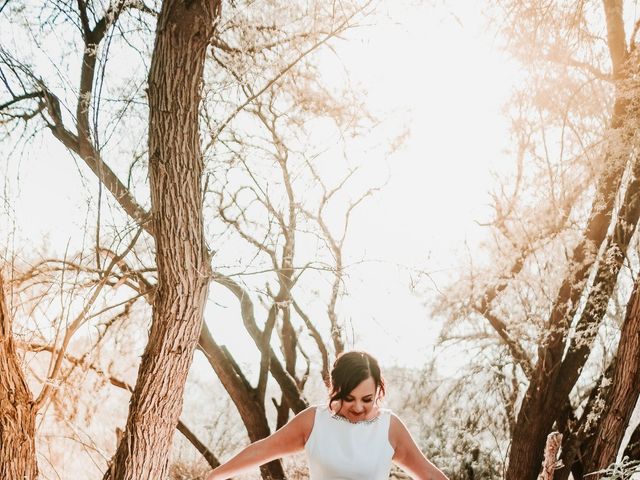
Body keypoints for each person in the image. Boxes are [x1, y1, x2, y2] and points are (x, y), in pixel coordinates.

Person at [205, 351, 449, 480]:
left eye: (367, 399)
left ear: (378, 391)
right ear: (334, 389)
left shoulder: (389, 427)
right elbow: (263, 450)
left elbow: (429, 475)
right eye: (348, 398)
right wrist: (215, 476)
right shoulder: (314, 422)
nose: (358, 408)